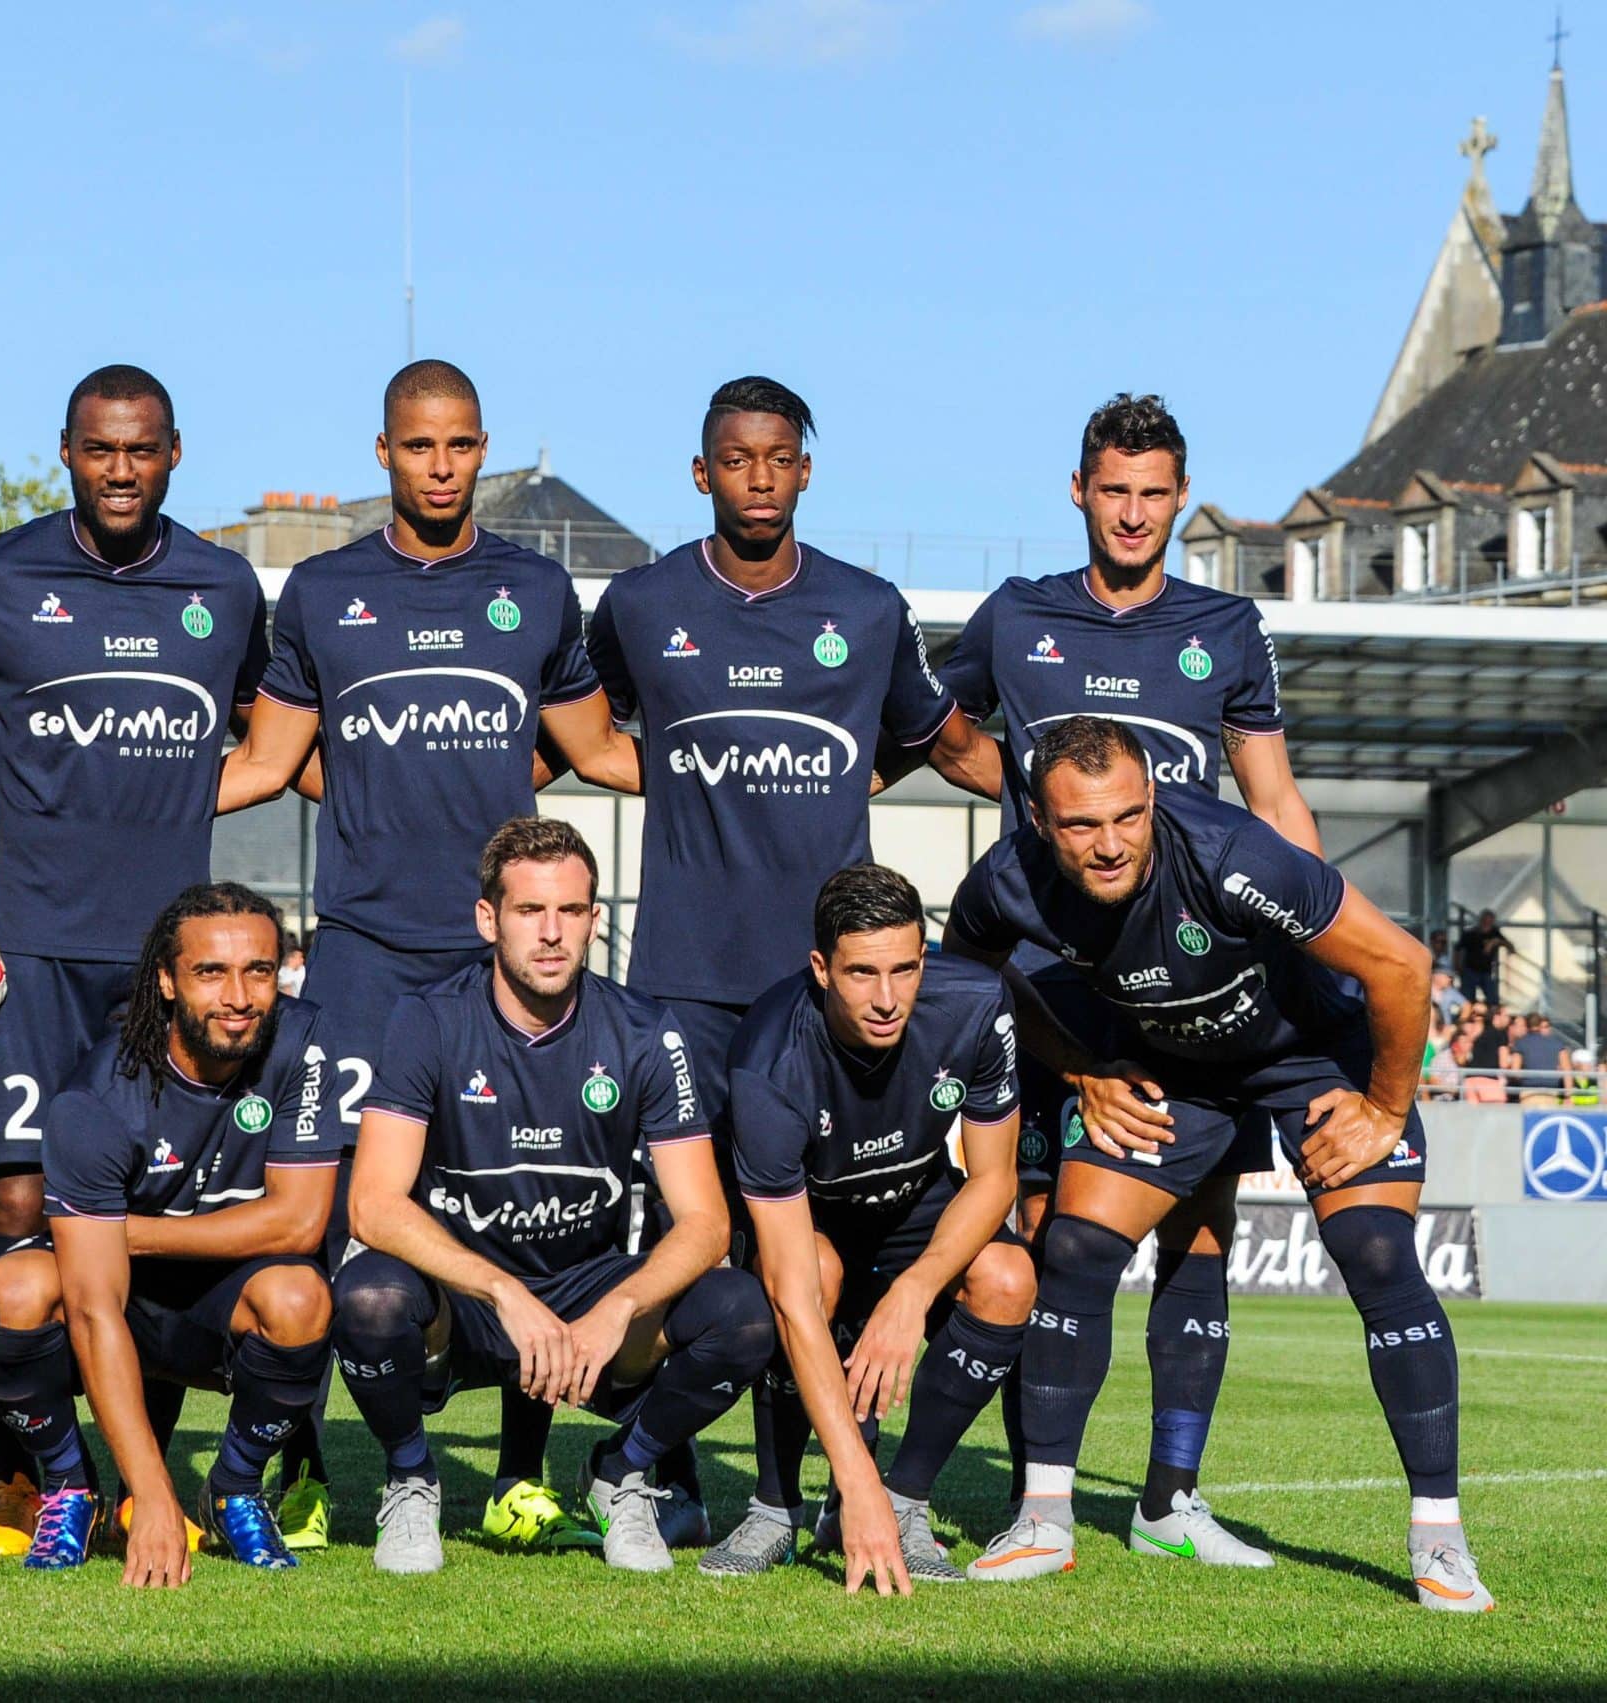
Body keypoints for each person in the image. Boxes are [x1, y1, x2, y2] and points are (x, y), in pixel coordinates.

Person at [220, 360, 643, 1550]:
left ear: (481, 448)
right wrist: (105, 800)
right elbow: (270, 763)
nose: (441, 466)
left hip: (495, 957)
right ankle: (304, 1466)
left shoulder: (535, 588)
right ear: (383, 452)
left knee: (529, 1192)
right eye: (419, 445)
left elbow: (591, 751)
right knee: (318, 1212)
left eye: (460, 445)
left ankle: (520, 1474)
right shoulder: (322, 590)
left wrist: (748, 786)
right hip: (361, 955)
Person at [941, 716, 1490, 1611]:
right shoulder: (1007, 880)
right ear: (1038, 820)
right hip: (1176, 1067)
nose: (1110, 843)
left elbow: (1401, 964)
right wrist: (1080, 1067)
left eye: (1128, 816)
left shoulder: (1235, 856)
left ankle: (1440, 1539)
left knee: (1377, 1252)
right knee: (1075, 1248)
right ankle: (1044, 1519)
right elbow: (966, 979)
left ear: (1153, 798)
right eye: (1082, 824)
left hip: (1313, 1053)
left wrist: (1385, 1109)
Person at [585, 374, 999, 1532]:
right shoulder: (641, 602)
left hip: (825, 991)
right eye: (736, 458)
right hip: (685, 982)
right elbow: (579, 733)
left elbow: (939, 739)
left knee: (817, 1245)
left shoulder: (865, 609)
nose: (758, 477)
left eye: (778, 457)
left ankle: (801, 1485)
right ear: (701, 471)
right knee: (690, 1242)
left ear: (805, 470)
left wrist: (1060, 803)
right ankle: (658, 1471)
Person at [925, 393, 1320, 1560]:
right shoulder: (1017, 615)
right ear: (1078, 492)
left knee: (1201, 1235)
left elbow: (1272, 795)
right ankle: (1037, 1498)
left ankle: (1168, 1502)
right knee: (1051, 1230)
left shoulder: (1225, 626)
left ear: (1181, 498)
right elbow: (941, 729)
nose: (1133, 512)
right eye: (1113, 490)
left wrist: (1311, 939)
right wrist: (1022, 794)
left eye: (1153, 493)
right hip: (1053, 987)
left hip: (1194, 982)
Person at [0, 365, 276, 1555]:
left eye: (140, 449)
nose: (120, 469)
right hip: (31, 948)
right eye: (99, 449)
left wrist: (177, 807)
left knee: (151, 1202)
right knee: (14, 1200)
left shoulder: (223, 586)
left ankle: (143, 1475)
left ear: (173, 453)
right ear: (66, 452)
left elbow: (272, 734)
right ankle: (25, 1477)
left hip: (162, 963)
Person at [330, 818, 799, 1580]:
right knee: (368, 1294)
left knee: (742, 1312)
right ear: (488, 919)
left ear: (594, 919)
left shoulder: (644, 1031)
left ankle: (623, 1470)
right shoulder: (428, 1018)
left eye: (570, 910)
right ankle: (412, 1478)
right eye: (529, 910)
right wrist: (502, 1290)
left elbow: (707, 1221)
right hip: (467, 1296)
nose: (551, 932)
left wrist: (618, 1307)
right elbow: (373, 1204)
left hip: (588, 1295)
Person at [0, 882, 343, 1582]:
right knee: (16, 1288)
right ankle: (70, 1486)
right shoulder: (98, 1096)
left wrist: (126, 1233)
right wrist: (152, 1495)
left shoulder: (303, 1041)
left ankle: (234, 1487)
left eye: (259, 971)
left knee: (301, 1298)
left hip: (217, 1299)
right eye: (210, 972)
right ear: (167, 981)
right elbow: (93, 1309)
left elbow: (300, 1220)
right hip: (119, 1305)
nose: (238, 997)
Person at [707, 864, 1031, 1583]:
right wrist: (854, 1479)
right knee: (816, 1278)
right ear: (822, 968)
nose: (887, 998)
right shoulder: (768, 1060)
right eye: (861, 973)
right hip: (815, 1218)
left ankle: (905, 1500)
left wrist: (912, 1292)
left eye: (905, 969)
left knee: (1008, 1278)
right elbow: (792, 1292)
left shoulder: (978, 1004)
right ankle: (775, 1507)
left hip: (915, 1201)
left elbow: (995, 1179)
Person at [1507, 1012, 1570, 1104]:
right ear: (1540, 1024)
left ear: (1526, 1025)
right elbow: (1567, 1069)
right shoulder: (1556, 1044)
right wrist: (1568, 1095)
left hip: (1529, 1093)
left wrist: (1528, 1078)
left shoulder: (1520, 1043)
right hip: (1551, 1092)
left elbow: (1515, 1071)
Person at [1455, 910, 1512, 1006]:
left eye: (1490, 922)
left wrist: (1496, 941)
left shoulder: (1495, 933)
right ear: (1481, 921)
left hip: (1486, 971)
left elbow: (1511, 947)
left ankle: (1490, 1013)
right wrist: (1457, 966)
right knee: (1467, 1000)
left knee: (1493, 999)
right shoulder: (1470, 933)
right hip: (1470, 970)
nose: (1487, 924)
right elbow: (1458, 950)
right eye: (1485, 921)